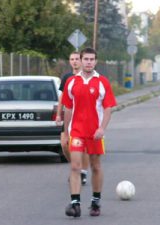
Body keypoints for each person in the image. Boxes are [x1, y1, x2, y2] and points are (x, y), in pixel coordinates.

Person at [62, 47, 117, 217]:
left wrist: (102, 128)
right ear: (80, 60)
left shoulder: (102, 82)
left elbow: (108, 109)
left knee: (96, 166)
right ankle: (75, 203)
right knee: (75, 166)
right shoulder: (71, 82)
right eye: (85, 59)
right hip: (77, 131)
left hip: (95, 133)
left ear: (96, 61)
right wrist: (65, 132)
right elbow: (68, 108)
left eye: (92, 59)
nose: (88, 62)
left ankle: (95, 201)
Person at [56, 51, 90, 185]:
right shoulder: (67, 78)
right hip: (70, 116)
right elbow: (62, 98)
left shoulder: (87, 77)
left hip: (85, 117)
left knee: (85, 147)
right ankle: (76, 166)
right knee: (65, 144)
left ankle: (82, 172)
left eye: (77, 59)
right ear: (70, 61)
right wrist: (59, 113)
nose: (75, 61)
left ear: (81, 61)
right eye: (72, 59)